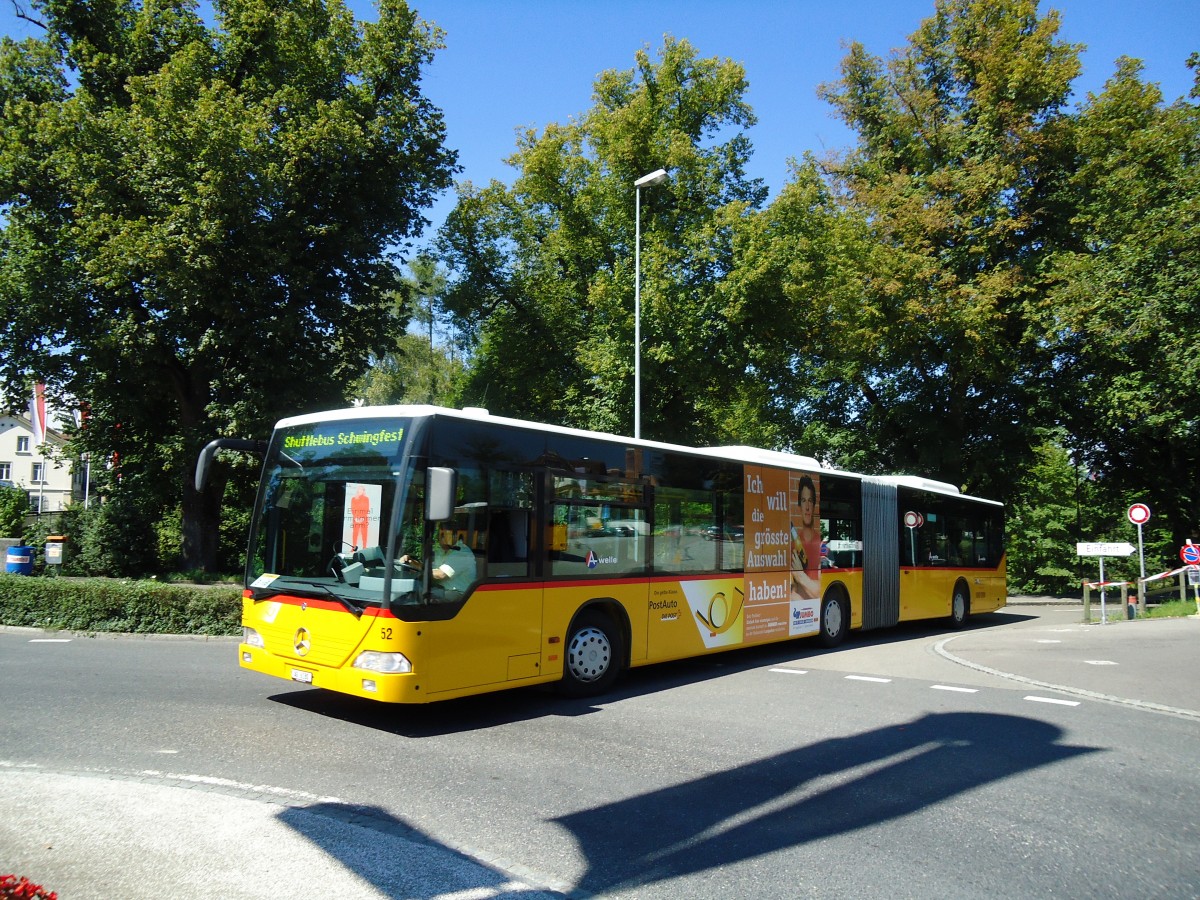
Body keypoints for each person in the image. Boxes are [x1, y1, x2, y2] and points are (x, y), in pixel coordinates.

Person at [400, 523, 477, 597]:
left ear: (455, 536)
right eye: (441, 535)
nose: (442, 539)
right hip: (440, 590)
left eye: (446, 535)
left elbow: (440, 574)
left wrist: (417, 566)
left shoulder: (462, 552)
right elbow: (431, 569)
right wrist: (412, 562)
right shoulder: (441, 551)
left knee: (420, 597)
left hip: (459, 594)